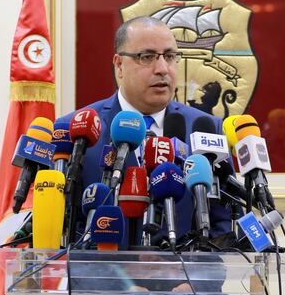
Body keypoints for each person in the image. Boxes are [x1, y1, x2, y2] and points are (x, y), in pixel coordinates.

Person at [56, 16, 232, 248]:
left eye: (169, 57)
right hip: (104, 280)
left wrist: (200, 279)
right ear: (119, 65)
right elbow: (66, 227)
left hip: (185, 279)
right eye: (146, 57)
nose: (162, 69)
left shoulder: (204, 127)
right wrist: (120, 283)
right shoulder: (76, 131)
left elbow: (223, 222)